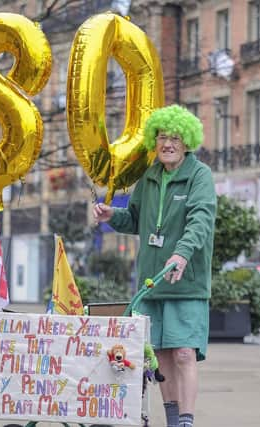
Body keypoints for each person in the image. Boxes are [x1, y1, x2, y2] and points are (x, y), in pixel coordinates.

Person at [93, 104, 217, 427]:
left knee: (184, 354)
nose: (168, 144)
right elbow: (135, 218)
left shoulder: (199, 177)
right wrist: (111, 216)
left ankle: (187, 422)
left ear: (187, 141)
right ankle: (173, 421)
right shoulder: (148, 176)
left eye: (175, 137)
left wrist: (182, 253)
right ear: (155, 141)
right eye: (162, 137)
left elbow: (200, 221)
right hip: (151, 283)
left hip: (185, 282)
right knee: (160, 356)